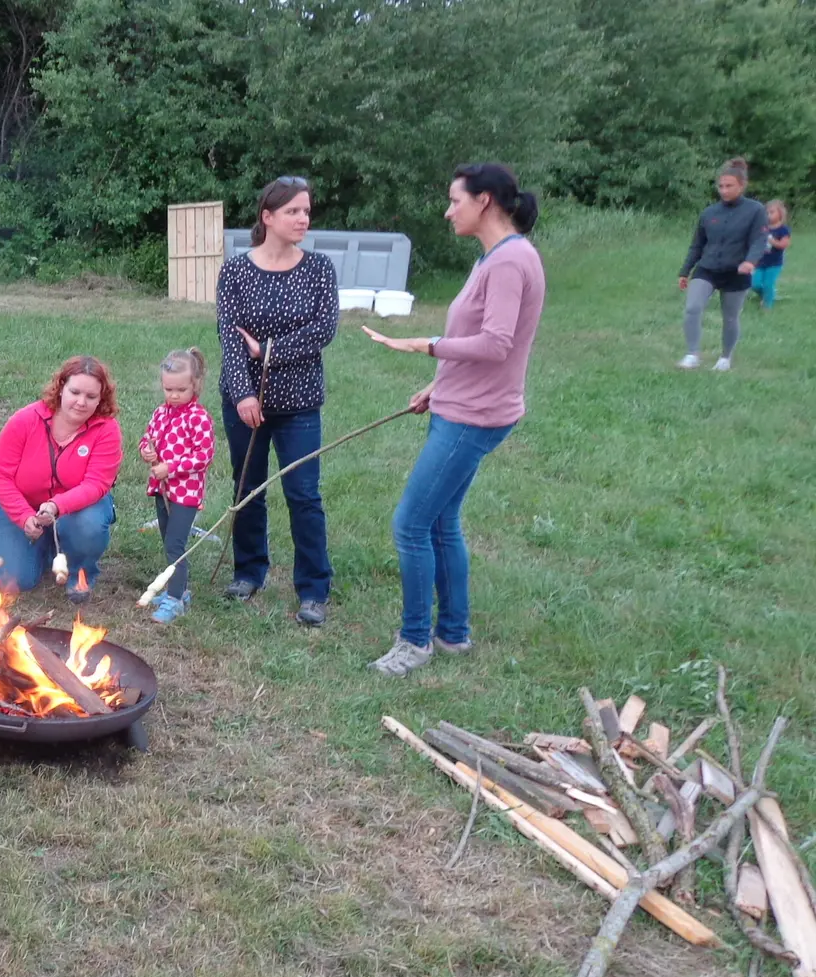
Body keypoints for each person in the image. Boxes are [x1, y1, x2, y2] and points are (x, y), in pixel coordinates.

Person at [362, 163, 545, 677]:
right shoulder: (495, 257)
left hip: (474, 417)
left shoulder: (510, 261)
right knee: (442, 520)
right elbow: (480, 340)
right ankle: (453, 633)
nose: (448, 211)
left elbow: (496, 343)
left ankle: (414, 641)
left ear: (484, 201)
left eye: (455, 200)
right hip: (461, 404)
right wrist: (438, 385)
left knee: (410, 524)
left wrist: (423, 345)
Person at [215, 176, 340, 626]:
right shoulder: (235, 271)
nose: (303, 219)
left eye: (306, 211)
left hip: (300, 403)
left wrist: (267, 351)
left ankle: (313, 588)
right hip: (245, 403)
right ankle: (249, 572)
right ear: (267, 217)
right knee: (247, 488)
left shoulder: (319, 269)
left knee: (304, 494)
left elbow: (323, 329)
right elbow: (230, 337)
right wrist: (244, 393)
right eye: (293, 211)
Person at [0, 356, 122, 603]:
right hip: (23, 503)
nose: (81, 402)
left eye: (91, 396)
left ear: (101, 398)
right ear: (61, 388)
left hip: (75, 510)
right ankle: (47, 546)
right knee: (10, 580)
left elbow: (97, 484)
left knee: (87, 523)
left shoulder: (107, 430)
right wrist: (23, 515)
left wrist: (58, 505)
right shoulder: (26, 419)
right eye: (75, 392)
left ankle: (80, 572)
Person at [139, 348, 216, 623]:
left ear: (195, 385)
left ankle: (175, 599)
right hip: (162, 490)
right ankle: (179, 590)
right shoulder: (161, 412)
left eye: (181, 390)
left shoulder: (198, 417)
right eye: (168, 389)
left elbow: (204, 455)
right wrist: (147, 450)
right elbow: (148, 437)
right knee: (167, 540)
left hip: (185, 494)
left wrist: (170, 467)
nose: (173, 395)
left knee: (176, 545)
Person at [678, 157, 769, 372]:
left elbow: (759, 240)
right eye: (721, 186)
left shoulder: (755, 210)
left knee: (730, 317)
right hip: (707, 269)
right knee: (692, 308)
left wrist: (750, 261)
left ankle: (725, 358)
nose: (724, 190)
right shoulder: (709, 213)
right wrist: (685, 271)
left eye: (729, 186)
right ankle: (692, 355)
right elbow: (697, 245)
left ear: (742, 186)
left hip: (737, 273)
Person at [753, 200, 791, 310]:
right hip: (759, 261)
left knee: (768, 284)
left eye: (772, 212)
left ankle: (767, 306)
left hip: (774, 263)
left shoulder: (783, 230)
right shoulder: (762, 228)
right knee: (754, 284)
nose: (768, 215)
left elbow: (784, 244)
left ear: (780, 213)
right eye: (766, 213)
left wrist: (772, 241)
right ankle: (766, 294)